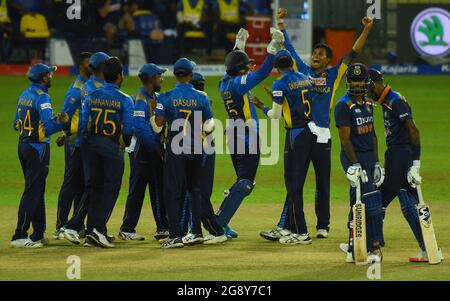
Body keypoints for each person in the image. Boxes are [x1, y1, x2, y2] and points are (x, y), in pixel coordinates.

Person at [262, 8, 374, 240]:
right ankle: (288, 224)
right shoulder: (301, 70)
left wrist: (366, 29)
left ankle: (323, 225)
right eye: (315, 52)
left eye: (321, 53)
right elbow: (289, 48)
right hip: (304, 134)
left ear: (328, 60)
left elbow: (354, 52)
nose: (316, 55)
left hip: (322, 135)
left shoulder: (334, 74)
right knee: (295, 182)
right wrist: (280, 22)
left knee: (322, 183)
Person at [367, 69, 443, 263]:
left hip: (400, 154)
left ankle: (372, 248)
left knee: (380, 199)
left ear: (376, 83)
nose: (368, 93)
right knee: (410, 203)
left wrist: (415, 164)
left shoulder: (395, 101)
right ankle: (429, 249)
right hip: (396, 153)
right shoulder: (386, 100)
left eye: (369, 88)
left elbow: (414, 131)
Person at [216, 27, 284, 238]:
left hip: (233, 137)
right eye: (246, 67)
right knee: (246, 182)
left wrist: (240, 42)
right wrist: (272, 48)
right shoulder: (238, 84)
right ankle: (217, 224)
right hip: (247, 138)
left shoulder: (223, 83)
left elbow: (233, 61)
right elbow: (263, 72)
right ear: (241, 71)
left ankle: (221, 220)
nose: (249, 69)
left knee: (241, 181)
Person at [252, 49, 316, 244]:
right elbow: (297, 102)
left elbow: (276, 115)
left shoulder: (279, 83)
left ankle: (302, 232)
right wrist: (278, 99)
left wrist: (262, 106)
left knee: (293, 184)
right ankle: (288, 227)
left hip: (295, 134)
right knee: (296, 183)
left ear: (276, 67)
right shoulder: (305, 78)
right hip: (310, 131)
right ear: (291, 64)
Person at [152, 58, 214, 248]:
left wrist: (153, 117)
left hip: (175, 147)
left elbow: (157, 127)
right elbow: (209, 126)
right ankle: (196, 231)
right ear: (190, 75)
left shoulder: (165, 97)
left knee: (171, 191)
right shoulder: (202, 97)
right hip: (195, 147)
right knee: (194, 189)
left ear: (175, 75)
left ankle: (175, 236)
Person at [11, 63, 69, 248]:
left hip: (23, 145)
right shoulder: (43, 97)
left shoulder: (24, 94)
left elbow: (15, 124)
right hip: (38, 148)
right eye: (50, 74)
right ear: (43, 78)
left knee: (36, 189)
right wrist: (62, 122)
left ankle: (38, 233)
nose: (52, 77)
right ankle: (20, 235)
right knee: (33, 191)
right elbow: (49, 127)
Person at [80, 57, 134, 248]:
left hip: (91, 147)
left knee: (95, 189)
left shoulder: (91, 95)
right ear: (120, 76)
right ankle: (97, 230)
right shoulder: (125, 100)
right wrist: (125, 144)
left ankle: (93, 231)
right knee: (110, 191)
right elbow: (128, 129)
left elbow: (83, 124)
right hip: (112, 150)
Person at [334, 63, 384, 263]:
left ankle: (353, 245)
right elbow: (345, 140)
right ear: (348, 82)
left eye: (360, 79)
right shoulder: (343, 105)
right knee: (369, 202)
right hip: (352, 156)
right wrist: (355, 165)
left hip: (369, 157)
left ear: (366, 81)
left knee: (358, 201)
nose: (356, 83)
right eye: (353, 80)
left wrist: (377, 163)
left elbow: (372, 134)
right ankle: (372, 247)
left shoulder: (370, 105)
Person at [62, 51, 111, 245]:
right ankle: (71, 226)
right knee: (91, 186)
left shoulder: (93, 86)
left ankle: (95, 229)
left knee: (92, 186)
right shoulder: (91, 88)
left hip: (93, 142)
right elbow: (85, 119)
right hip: (93, 143)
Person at [118, 63, 169, 241]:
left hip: (149, 150)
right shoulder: (140, 99)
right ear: (152, 78)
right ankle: (128, 228)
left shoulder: (153, 96)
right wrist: (158, 149)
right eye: (160, 76)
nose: (162, 79)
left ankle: (161, 227)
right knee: (140, 189)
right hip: (143, 152)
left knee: (155, 188)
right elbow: (139, 129)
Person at [54, 52, 92, 239]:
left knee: (83, 184)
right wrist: (65, 134)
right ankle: (61, 225)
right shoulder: (76, 90)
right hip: (74, 141)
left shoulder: (89, 86)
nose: (91, 66)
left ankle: (76, 225)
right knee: (70, 183)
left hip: (84, 141)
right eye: (88, 64)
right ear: (80, 67)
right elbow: (65, 117)